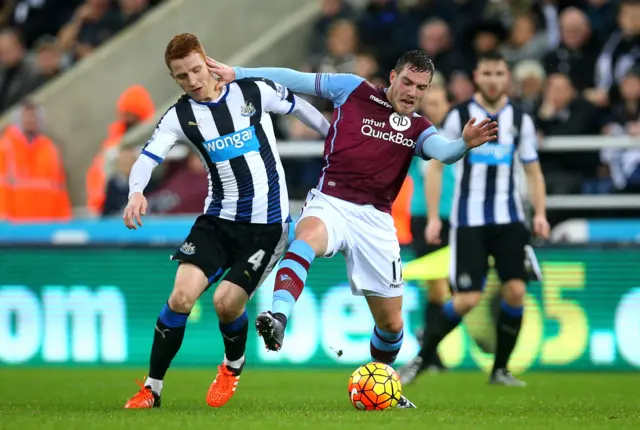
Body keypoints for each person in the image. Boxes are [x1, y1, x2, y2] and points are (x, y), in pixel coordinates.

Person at [207, 50, 499, 408]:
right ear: (392, 77)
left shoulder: (420, 128)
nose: (412, 92)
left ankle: (380, 384)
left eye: (420, 88)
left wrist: (463, 144)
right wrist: (237, 72)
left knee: (392, 326)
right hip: (331, 200)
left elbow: (444, 152)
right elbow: (292, 76)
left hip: (376, 221)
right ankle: (278, 316)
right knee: (306, 237)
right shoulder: (352, 90)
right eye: (407, 82)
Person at [122, 33, 330, 409]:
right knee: (181, 296)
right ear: (175, 79)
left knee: (225, 303)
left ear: (207, 60)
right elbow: (148, 157)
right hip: (217, 220)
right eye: (182, 76)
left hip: (266, 229)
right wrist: (136, 190)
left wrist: (333, 138)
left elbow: (299, 106)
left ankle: (232, 365)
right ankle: (152, 388)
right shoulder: (180, 116)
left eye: (197, 70)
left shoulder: (251, 92)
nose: (193, 81)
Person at [398, 51, 550, 387]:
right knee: (466, 298)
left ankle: (500, 370)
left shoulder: (521, 119)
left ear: (506, 77)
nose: (493, 79)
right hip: (468, 222)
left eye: (499, 72)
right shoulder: (459, 116)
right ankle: (422, 359)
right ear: (476, 77)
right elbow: (435, 166)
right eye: (487, 73)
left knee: (515, 291)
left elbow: (533, 170)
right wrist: (436, 216)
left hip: (510, 221)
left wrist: (539, 214)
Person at [407, 86, 455, 373]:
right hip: (425, 217)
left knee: (455, 290)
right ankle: (429, 352)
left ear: (448, 103)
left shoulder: (461, 136)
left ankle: (428, 341)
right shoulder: (417, 136)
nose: (433, 107)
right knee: (437, 287)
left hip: (457, 218)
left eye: (438, 102)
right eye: (429, 103)